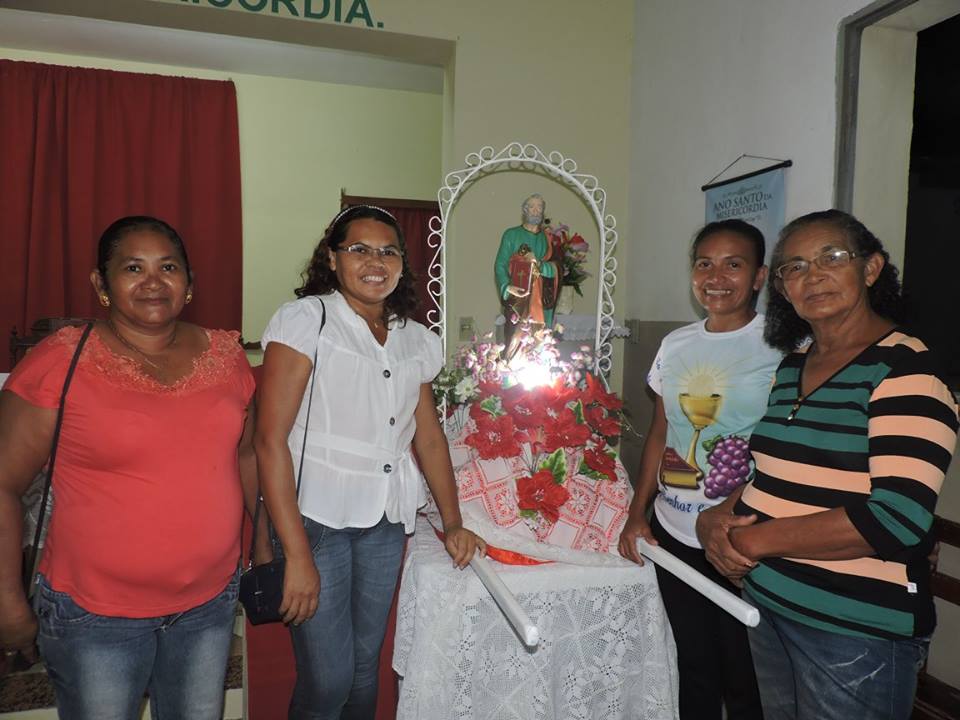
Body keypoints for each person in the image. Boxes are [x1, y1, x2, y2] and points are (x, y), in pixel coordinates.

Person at [697, 210, 958, 720]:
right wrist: (716, 519)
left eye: (831, 258)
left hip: (853, 631)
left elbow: (895, 518)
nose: (812, 275)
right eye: (794, 267)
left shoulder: (906, 370)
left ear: (871, 268)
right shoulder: (793, 365)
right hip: (770, 605)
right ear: (782, 288)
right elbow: (770, 471)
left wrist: (751, 541)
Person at [0, 216, 261, 719]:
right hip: (95, 617)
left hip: (208, 607)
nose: (153, 282)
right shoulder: (61, 360)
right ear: (101, 283)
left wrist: (266, 544)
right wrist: (7, 599)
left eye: (168, 267)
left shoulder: (227, 358)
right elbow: (3, 483)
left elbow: (247, 454)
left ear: (190, 283)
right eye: (133, 268)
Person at [255, 204, 486, 720]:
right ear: (332, 258)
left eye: (388, 252)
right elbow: (269, 440)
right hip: (316, 518)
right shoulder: (307, 321)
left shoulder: (414, 338)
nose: (375, 261)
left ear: (403, 263)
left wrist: (453, 522)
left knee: (364, 670)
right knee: (328, 680)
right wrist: (296, 554)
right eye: (359, 249)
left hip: (385, 520)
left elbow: (429, 438)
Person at [618, 219, 779, 719]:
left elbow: (783, 448)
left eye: (734, 264)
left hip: (739, 536)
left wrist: (737, 513)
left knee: (745, 676)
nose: (716, 276)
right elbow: (660, 432)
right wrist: (637, 514)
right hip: (673, 531)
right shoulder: (676, 344)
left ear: (759, 276)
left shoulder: (780, 345)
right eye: (705, 263)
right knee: (693, 666)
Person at [494, 193, 562, 345]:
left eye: (539, 207)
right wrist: (507, 287)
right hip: (518, 300)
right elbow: (500, 264)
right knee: (514, 343)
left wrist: (538, 264)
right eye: (531, 207)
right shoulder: (511, 235)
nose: (536, 210)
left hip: (541, 299)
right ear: (525, 210)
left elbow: (557, 267)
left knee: (539, 342)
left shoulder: (547, 239)